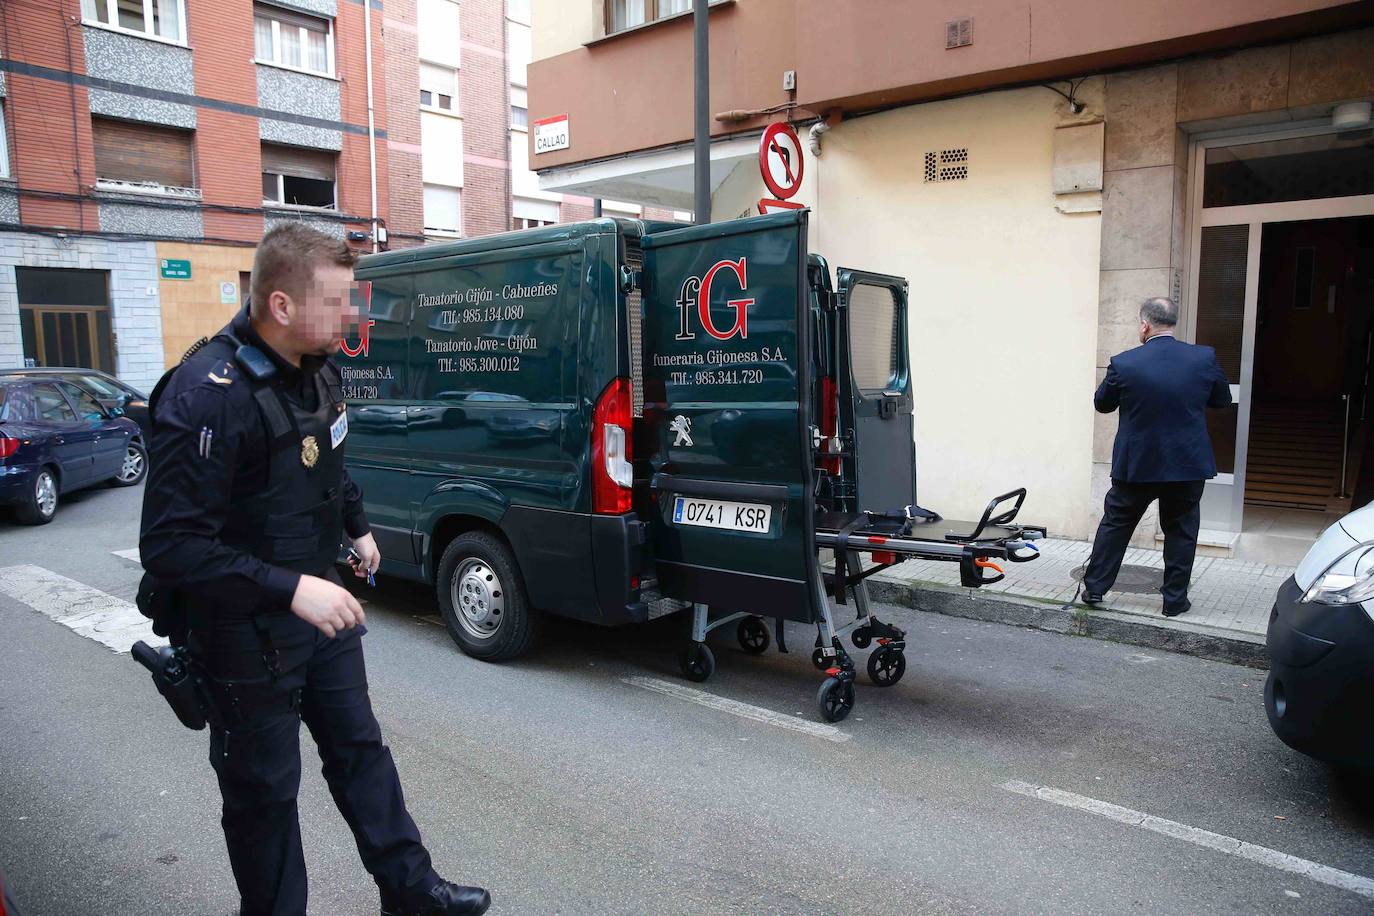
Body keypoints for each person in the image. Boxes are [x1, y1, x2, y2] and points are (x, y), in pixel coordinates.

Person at [139, 223, 491, 916]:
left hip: (319, 608)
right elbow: (172, 547)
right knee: (264, 798)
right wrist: (290, 587)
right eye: (335, 302)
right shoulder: (205, 393)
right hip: (242, 634)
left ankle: (411, 892)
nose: (350, 316)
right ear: (280, 307)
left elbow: (329, 458)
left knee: (362, 752)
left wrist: (356, 526)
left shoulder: (319, 366)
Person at [1080, 297, 1232, 617]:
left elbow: (1102, 404)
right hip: (1187, 463)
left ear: (1145, 325)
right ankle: (1174, 601)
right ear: (1172, 323)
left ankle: (1095, 588)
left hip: (1138, 464)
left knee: (1116, 526)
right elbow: (1221, 399)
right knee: (1181, 530)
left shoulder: (1124, 363)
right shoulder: (1203, 358)